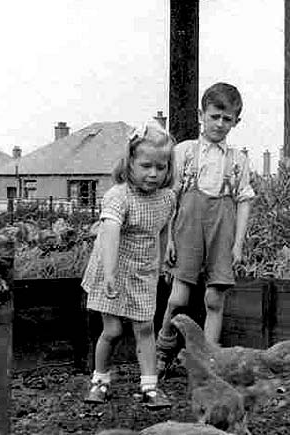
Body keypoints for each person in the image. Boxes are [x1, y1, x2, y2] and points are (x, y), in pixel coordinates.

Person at [156, 82, 255, 376]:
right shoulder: (185, 152)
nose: (220, 124)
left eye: (227, 119)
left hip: (222, 229)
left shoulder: (238, 160)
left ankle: (207, 363)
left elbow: (244, 202)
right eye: (214, 116)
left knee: (214, 299)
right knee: (178, 298)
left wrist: (238, 245)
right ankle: (163, 348)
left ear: (236, 121)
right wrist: (170, 239)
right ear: (202, 114)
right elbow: (171, 198)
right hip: (188, 227)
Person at [82, 121, 176, 409]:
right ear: (130, 163)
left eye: (160, 167)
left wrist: (165, 254)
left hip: (143, 272)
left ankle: (150, 386)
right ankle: (100, 380)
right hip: (111, 270)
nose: (153, 173)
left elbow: (162, 228)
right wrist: (109, 273)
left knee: (145, 328)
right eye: (146, 165)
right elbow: (109, 233)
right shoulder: (119, 197)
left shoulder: (167, 198)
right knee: (112, 331)